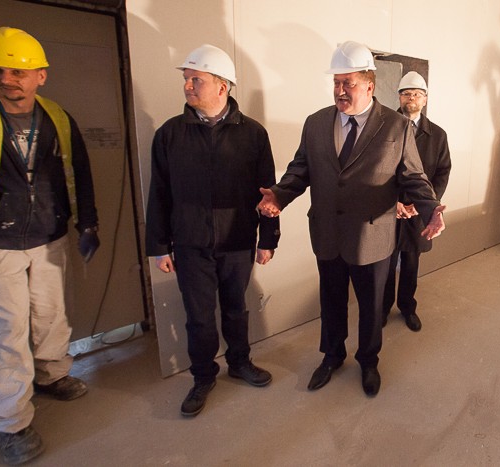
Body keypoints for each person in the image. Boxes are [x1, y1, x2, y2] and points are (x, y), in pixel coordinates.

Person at [258, 41, 445, 397]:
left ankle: (368, 361)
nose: (340, 91)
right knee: (331, 301)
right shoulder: (316, 123)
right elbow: (300, 169)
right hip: (328, 232)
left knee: (372, 306)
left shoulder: (396, 127)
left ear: (370, 85)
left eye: (349, 83)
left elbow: (414, 177)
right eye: (336, 83)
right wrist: (280, 195)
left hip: (373, 236)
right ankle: (331, 355)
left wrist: (430, 208)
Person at [145, 44, 280, 418]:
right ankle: (203, 376)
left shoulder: (253, 134)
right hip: (190, 243)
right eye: (187, 79)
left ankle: (239, 362)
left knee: (236, 309)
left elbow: (268, 192)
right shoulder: (170, 135)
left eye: (196, 79)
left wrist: (268, 238)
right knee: (199, 316)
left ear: (222, 86)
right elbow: (159, 193)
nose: (187, 86)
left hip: (238, 240)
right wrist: (159, 245)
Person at [0, 27, 100, 465]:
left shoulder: (56, 117)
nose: (7, 80)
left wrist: (87, 223)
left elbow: (80, 171)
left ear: (41, 76)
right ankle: (11, 422)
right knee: (7, 331)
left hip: (49, 234)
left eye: (17, 72)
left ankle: (52, 375)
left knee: (51, 314)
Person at [383, 72, 451, 332]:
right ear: (399, 97)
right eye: (406, 93)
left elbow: (442, 172)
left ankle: (407, 307)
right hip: (388, 210)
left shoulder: (438, 135)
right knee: (385, 264)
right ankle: (382, 308)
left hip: (417, 213)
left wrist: (425, 206)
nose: (411, 98)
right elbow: (376, 172)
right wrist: (393, 203)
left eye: (417, 94)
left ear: (425, 99)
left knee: (411, 264)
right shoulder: (383, 128)